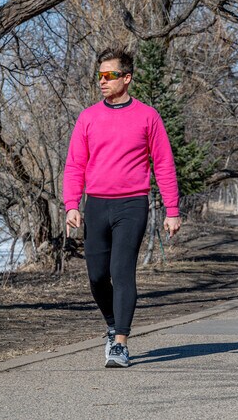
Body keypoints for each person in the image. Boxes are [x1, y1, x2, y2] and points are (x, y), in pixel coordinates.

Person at [63, 47, 181, 368]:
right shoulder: (88, 117)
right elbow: (75, 164)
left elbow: (164, 165)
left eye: (110, 75)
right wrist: (72, 204)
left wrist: (172, 210)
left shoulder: (148, 116)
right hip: (96, 205)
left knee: (121, 271)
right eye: (100, 75)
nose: (102, 81)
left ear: (126, 78)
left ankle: (120, 343)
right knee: (97, 276)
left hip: (132, 204)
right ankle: (112, 322)